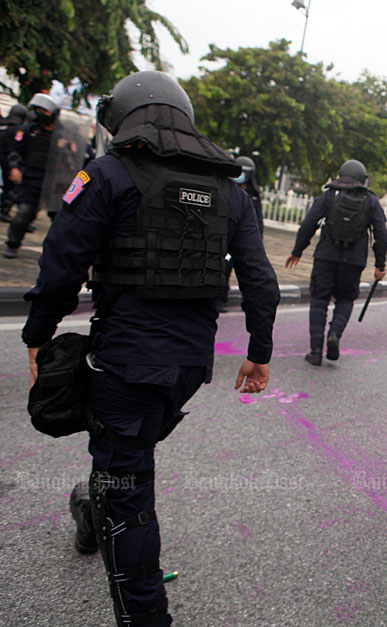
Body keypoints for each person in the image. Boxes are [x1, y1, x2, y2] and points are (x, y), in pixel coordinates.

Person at [21, 70, 279, 627]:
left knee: (128, 489)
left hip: (128, 364)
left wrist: (37, 334)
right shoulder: (230, 193)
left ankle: (146, 615)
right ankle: (93, 514)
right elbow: (260, 279)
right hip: (187, 367)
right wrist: (259, 351)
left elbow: (61, 264)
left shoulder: (109, 174)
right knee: (123, 451)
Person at [286, 159, 387, 365]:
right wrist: (380, 264)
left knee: (319, 300)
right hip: (354, 260)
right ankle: (335, 333)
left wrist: (298, 250)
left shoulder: (330, 195)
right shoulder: (370, 201)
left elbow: (308, 224)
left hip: (325, 255)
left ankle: (315, 350)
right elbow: (382, 235)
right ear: (362, 179)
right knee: (345, 299)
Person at [3, 93, 59, 258]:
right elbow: (15, 151)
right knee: (23, 214)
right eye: (37, 110)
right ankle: (12, 244)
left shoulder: (63, 133)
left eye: (44, 111)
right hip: (31, 179)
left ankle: (59, 252)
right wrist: (14, 168)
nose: (40, 114)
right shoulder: (29, 130)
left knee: (60, 219)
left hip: (55, 183)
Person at [219, 155, 265, 312]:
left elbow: (258, 220)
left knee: (249, 273)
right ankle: (220, 299)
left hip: (244, 239)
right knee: (223, 269)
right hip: (225, 235)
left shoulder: (253, 194)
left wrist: (258, 240)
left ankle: (250, 302)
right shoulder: (225, 187)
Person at [0, 103, 30, 222]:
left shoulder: (2, 124)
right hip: (8, 159)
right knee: (11, 186)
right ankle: (4, 210)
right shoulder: (18, 128)